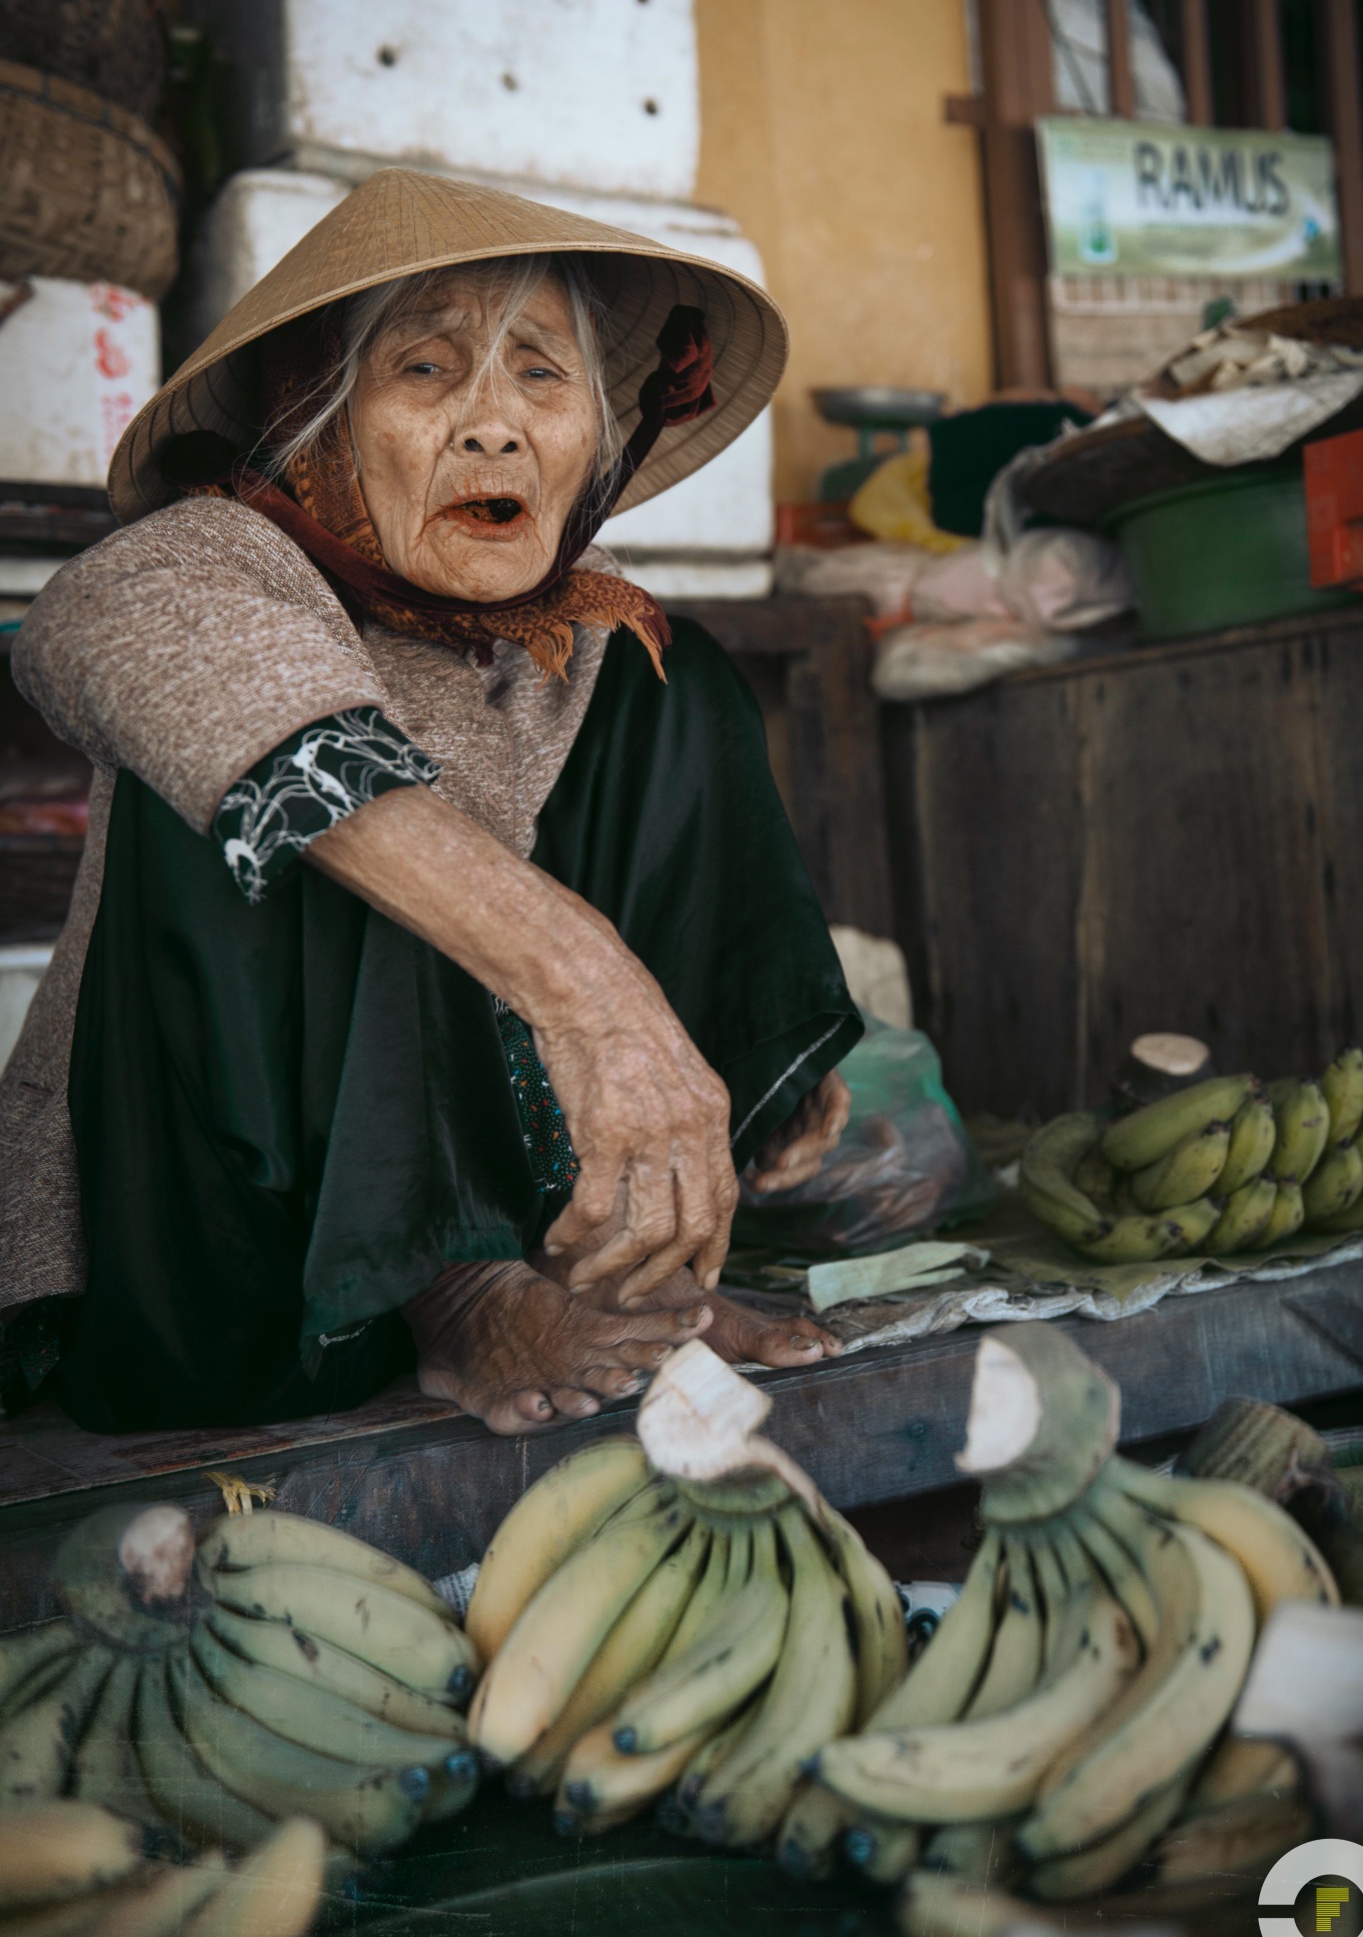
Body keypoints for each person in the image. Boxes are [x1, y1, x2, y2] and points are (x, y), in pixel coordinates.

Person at [0, 170, 861, 1436]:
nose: (495, 425)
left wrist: (746, 1071)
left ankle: (631, 1266)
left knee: (676, 677)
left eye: (540, 375)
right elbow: (88, 614)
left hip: (545, 1247)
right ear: (320, 424)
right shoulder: (215, 560)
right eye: (425, 372)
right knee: (292, 765)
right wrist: (594, 991)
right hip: (230, 1279)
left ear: (593, 435)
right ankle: (450, 1288)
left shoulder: (574, 647)